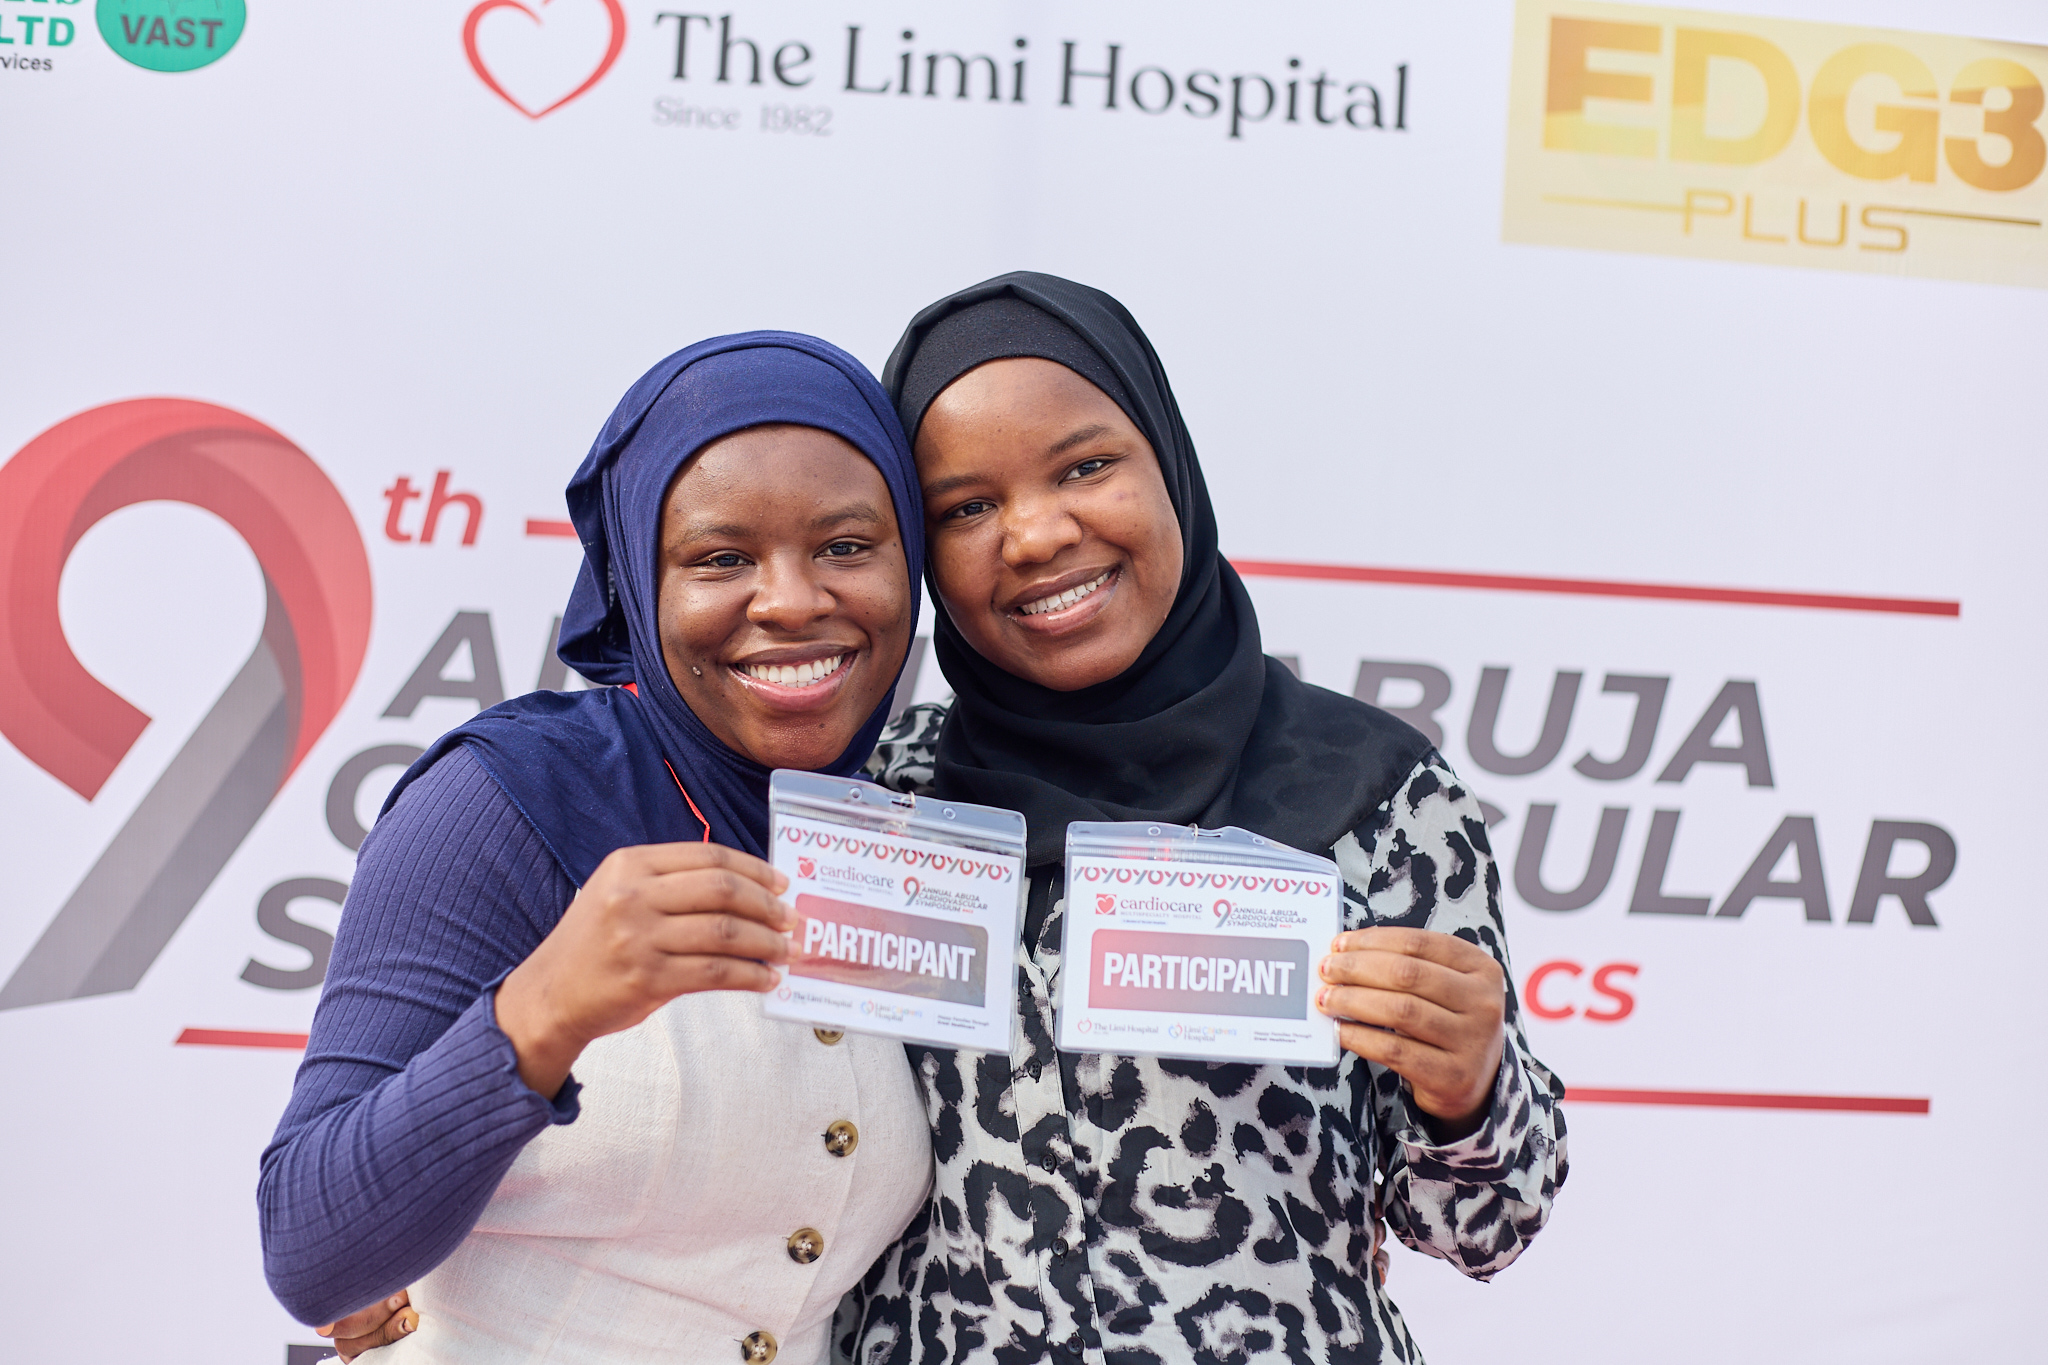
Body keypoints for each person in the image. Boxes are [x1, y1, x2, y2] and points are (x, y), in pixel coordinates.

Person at [837, 273, 1568, 1363]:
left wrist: (1469, 1089)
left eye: (1085, 466)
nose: (1034, 534)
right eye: (966, 508)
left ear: (1169, 463)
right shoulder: (885, 799)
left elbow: (1482, 1227)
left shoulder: (1376, 794)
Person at [258, 333, 936, 1365]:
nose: (793, 600)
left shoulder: (912, 829)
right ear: (634, 580)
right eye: (721, 559)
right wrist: (546, 1008)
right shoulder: (509, 798)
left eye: (846, 546)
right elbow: (311, 1253)